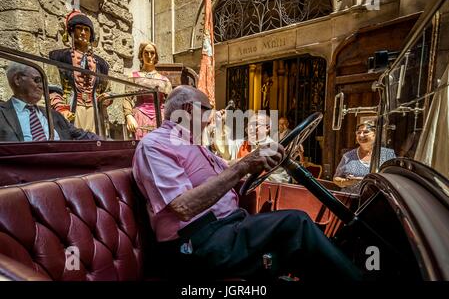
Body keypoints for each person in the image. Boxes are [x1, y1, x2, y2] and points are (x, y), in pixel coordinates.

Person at [132, 85, 362, 281]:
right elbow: (183, 207)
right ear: (188, 110)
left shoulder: (196, 146)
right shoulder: (155, 146)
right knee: (296, 223)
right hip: (196, 244)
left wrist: (262, 159)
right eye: (208, 110)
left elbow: (232, 169)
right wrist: (244, 165)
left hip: (227, 227)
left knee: (298, 246)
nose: (211, 118)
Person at [0, 63, 100, 142]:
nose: (41, 86)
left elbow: (82, 135)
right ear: (17, 79)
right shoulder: (2, 113)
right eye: (37, 80)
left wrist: (109, 143)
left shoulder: (54, 115)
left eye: (43, 82)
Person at [49, 9, 110, 133]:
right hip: (69, 108)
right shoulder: (59, 57)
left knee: (94, 143)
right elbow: (52, 87)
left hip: (94, 111)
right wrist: (61, 108)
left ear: (91, 34)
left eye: (86, 30)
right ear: (71, 31)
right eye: (79, 28)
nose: (83, 32)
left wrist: (106, 98)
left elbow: (106, 89)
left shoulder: (101, 64)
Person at [123, 42, 172, 140]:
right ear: (141, 55)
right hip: (140, 117)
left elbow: (171, 104)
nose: (149, 56)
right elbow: (126, 99)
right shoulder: (133, 77)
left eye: (152, 53)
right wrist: (128, 116)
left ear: (156, 56)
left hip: (160, 118)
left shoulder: (164, 80)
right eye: (146, 53)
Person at [333, 121, 396, 193]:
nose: (361, 135)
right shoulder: (348, 156)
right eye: (358, 133)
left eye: (366, 132)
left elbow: (394, 179)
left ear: (375, 134)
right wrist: (348, 182)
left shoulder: (388, 154)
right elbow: (336, 178)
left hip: (379, 199)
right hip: (352, 200)